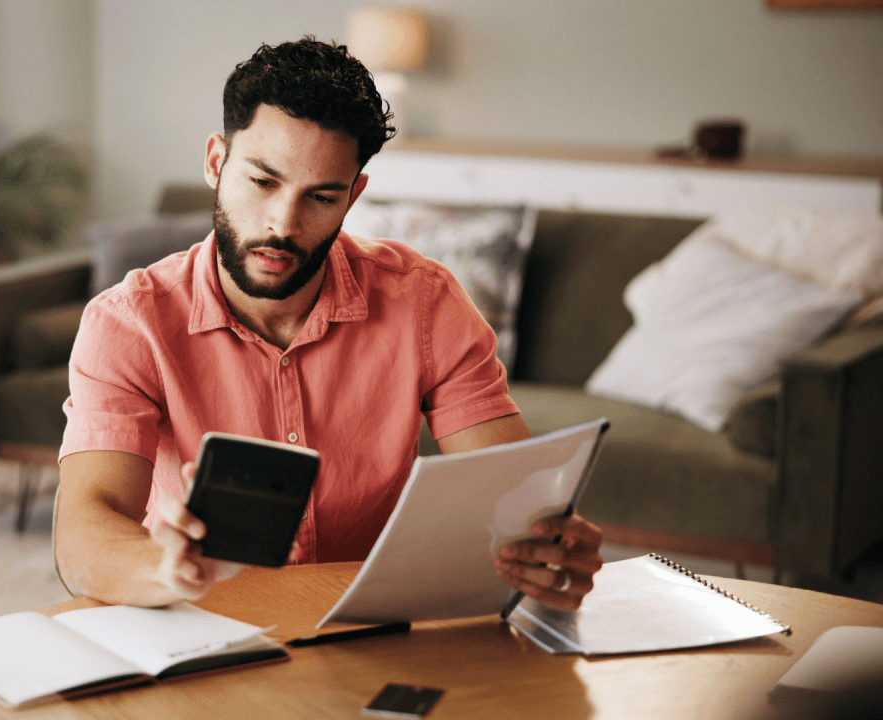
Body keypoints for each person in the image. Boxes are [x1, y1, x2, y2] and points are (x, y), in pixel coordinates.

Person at [55, 37, 603, 609]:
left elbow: (510, 497)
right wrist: (165, 568)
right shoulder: (129, 323)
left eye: (320, 196)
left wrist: (548, 549)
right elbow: (84, 534)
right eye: (263, 182)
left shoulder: (426, 303)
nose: (282, 224)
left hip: (370, 631)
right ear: (217, 162)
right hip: (204, 625)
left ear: (354, 195)